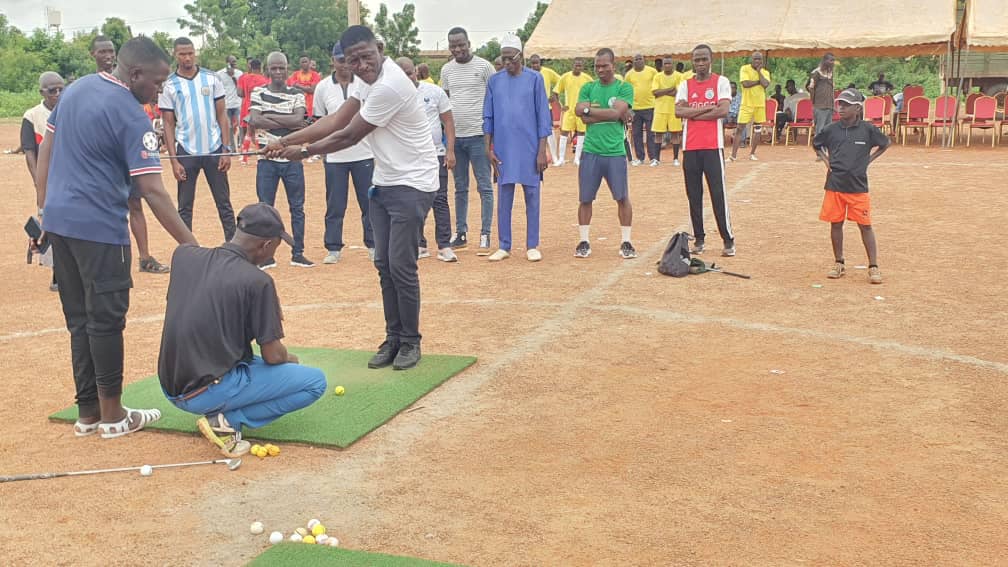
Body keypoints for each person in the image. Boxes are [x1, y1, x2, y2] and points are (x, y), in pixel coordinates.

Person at [35, 36, 198, 439]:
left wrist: (44, 209)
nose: (160, 90)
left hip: (59, 223)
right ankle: (113, 416)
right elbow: (154, 191)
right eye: (158, 82)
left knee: (79, 320)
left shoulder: (76, 89)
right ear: (136, 74)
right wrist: (193, 247)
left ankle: (87, 413)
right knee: (106, 319)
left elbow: (47, 150)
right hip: (100, 230)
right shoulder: (131, 115)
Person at [264, 25, 439, 371]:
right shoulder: (364, 80)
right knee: (384, 264)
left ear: (380, 49)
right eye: (353, 60)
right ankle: (393, 338)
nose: (361, 65)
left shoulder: (390, 84)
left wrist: (305, 151)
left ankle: (410, 341)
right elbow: (337, 118)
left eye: (367, 57)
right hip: (385, 180)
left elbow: (349, 135)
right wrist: (286, 141)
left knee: (401, 265)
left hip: (414, 182)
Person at [159, 203, 327, 457]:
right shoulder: (258, 281)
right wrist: (291, 359)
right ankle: (227, 421)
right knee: (314, 382)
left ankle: (220, 412)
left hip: (170, 384)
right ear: (265, 245)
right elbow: (273, 355)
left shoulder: (184, 256)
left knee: (250, 361)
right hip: (203, 391)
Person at [92, 35, 171, 274]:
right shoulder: (94, 88)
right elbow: (155, 191)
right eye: (102, 51)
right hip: (106, 171)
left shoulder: (134, 94)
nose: (108, 56)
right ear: (92, 55)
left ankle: (145, 257)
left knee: (135, 204)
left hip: (132, 158)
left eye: (111, 51)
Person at [160, 37, 237, 242]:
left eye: (190, 53)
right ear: (175, 55)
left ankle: (234, 246)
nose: (187, 57)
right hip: (186, 150)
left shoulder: (211, 79)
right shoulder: (169, 85)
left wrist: (225, 149)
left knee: (224, 202)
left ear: (195, 53)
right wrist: (174, 160)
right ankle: (187, 249)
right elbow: (168, 123)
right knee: (185, 206)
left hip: (213, 149)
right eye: (182, 54)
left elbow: (222, 115)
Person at [483, 34, 551, 263]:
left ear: (520, 56)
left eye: (511, 59)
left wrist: (542, 151)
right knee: (504, 195)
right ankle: (504, 245)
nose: (508, 63)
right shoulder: (494, 81)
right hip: (503, 147)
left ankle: (532, 245)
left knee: (532, 195)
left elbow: (544, 116)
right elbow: (488, 116)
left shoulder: (535, 79)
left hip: (531, 147)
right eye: (504, 59)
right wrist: (488, 148)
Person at [812, 89, 889, 284]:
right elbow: (816, 144)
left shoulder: (868, 129)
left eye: (846, 105)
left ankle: (873, 266)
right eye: (839, 104)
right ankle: (839, 262)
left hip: (858, 187)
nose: (841, 107)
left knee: (865, 226)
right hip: (835, 185)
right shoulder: (831, 129)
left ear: (857, 108)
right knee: (836, 224)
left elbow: (884, 144)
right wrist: (826, 161)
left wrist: (868, 161)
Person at [248, 51, 314, 269]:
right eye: (273, 68)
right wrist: (289, 122)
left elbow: (299, 120)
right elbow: (255, 120)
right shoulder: (258, 91)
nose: (277, 72)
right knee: (265, 209)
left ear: (287, 69)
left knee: (297, 207)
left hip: (292, 159)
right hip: (267, 159)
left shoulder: (296, 93)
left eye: (281, 68)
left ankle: (298, 252)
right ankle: (266, 256)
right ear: (267, 69)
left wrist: (269, 119)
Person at [573, 47, 637, 260]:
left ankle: (626, 241)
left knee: (622, 197)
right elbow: (579, 112)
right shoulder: (588, 87)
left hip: (615, 152)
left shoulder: (624, 88)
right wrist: (608, 114)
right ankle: (584, 241)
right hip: (590, 151)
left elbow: (617, 112)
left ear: (614, 65)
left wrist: (591, 112)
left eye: (604, 66)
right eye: (597, 66)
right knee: (585, 198)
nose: (600, 70)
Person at [314, 44, 375, 264]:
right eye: (340, 60)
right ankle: (333, 248)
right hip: (335, 157)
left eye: (348, 60)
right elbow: (319, 120)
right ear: (333, 61)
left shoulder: (364, 84)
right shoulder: (322, 87)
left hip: (364, 154)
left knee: (369, 203)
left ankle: (373, 244)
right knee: (335, 203)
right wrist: (320, 149)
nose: (344, 65)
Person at [396, 57, 458, 263]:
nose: (406, 77)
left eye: (409, 73)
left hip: (435, 154)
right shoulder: (393, 96)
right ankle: (419, 244)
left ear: (415, 71)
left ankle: (445, 246)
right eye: (401, 75)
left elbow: (448, 122)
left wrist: (450, 151)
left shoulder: (434, 92)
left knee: (440, 199)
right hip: (408, 158)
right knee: (413, 202)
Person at [675, 44, 735, 257]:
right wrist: (707, 108)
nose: (700, 63)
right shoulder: (685, 84)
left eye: (704, 59)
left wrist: (692, 113)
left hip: (713, 146)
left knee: (718, 194)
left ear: (710, 60)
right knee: (694, 194)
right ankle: (698, 238)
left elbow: (724, 110)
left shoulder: (721, 82)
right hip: (690, 147)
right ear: (692, 61)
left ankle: (728, 240)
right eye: (697, 60)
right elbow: (677, 111)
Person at [440, 27, 496, 254]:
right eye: (453, 45)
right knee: (460, 188)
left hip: (479, 136)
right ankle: (461, 233)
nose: (458, 49)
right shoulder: (446, 70)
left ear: (469, 43)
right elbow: (445, 105)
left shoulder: (484, 67)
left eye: (461, 44)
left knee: (484, 186)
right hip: (456, 138)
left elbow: (494, 99)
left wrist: (492, 136)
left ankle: (485, 234)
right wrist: (448, 142)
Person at [21, 71, 64, 292]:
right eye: (52, 90)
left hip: (68, 178)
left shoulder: (69, 111)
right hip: (46, 180)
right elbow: (30, 152)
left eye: (60, 89)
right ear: (41, 92)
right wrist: (39, 181)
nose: (57, 94)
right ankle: (56, 274)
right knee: (48, 222)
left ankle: (63, 272)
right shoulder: (32, 116)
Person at [730, 51, 771, 162]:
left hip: (759, 104)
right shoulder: (744, 68)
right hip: (746, 103)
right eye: (755, 59)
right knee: (739, 128)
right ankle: (733, 155)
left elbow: (766, 84)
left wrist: (759, 72)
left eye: (759, 59)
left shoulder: (765, 72)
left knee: (758, 129)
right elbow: (745, 84)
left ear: (762, 61)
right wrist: (759, 81)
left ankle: (752, 153)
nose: (757, 61)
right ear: (751, 59)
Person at [554, 58, 593, 166]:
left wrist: (588, 105)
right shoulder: (565, 77)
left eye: (580, 66)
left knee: (581, 133)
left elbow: (594, 91)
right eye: (576, 65)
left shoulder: (587, 78)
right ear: (573, 66)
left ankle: (577, 159)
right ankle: (561, 159)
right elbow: (555, 92)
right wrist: (561, 105)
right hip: (569, 110)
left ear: (582, 67)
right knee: (564, 132)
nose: (578, 67)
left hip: (581, 111)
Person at [625, 53, 660, 166]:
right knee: (636, 134)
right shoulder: (629, 75)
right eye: (636, 59)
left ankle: (653, 158)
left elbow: (657, 87)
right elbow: (626, 92)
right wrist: (628, 109)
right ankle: (640, 158)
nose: (638, 61)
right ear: (633, 61)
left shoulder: (652, 72)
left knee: (651, 134)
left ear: (644, 60)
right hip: (635, 108)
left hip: (650, 107)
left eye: (640, 59)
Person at [528, 54, 561, 164]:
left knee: (549, 132)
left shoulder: (547, 72)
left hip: (546, 107)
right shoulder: (527, 74)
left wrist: (555, 94)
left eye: (537, 63)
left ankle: (555, 157)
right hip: (531, 108)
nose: (535, 65)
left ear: (540, 63)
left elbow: (560, 81)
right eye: (532, 63)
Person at [237, 59, 270, 165]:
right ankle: (260, 155)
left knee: (248, 132)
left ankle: (244, 157)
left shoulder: (243, 78)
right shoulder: (264, 80)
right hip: (259, 108)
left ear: (250, 66)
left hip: (246, 107)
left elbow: (240, 93)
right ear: (260, 67)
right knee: (259, 132)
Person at [651, 56, 682, 167]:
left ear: (672, 64)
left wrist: (662, 92)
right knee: (658, 134)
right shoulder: (657, 76)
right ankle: (656, 159)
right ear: (662, 65)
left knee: (675, 134)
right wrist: (670, 89)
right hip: (660, 109)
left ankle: (675, 158)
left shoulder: (679, 76)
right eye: (665, 64)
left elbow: (677, 93)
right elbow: (655, 92)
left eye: (669, 63)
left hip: (674, 109)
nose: (667, 65)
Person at [217, 55, 243, 154]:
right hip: (226, 104)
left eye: (235, 62)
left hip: (237, 103)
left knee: (241, 126)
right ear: (227, 63)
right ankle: (231, 148)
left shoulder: (239, 73)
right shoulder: (219, 74)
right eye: (232, 62)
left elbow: (240, 88)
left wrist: (233, 77)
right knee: (228, 127)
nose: (234, 64)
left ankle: (242, 146)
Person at [807, 53, 836, 139]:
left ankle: (826, 148)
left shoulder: (830, 73)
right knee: (820, 129)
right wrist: (814, 102)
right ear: (825, 61)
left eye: (833, 60)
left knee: (828, 129)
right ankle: (819, 148)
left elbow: (831, 89)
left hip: (829, 106)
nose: (833, 62)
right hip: (820, 106)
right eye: (831, 60)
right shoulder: (816, 72)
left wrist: (832, 105)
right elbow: (810, 87)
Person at [286, 55, 321, 121]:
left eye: (306, 61)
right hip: (297, 108)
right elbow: (292, 89)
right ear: (299, 64)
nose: (304, 63)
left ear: (309, 62)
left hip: (311, 109)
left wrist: (298, 85)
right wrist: (306, 87)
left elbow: (312, 90)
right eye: (302, 62)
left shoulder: (315, 75)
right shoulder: (295, 75)